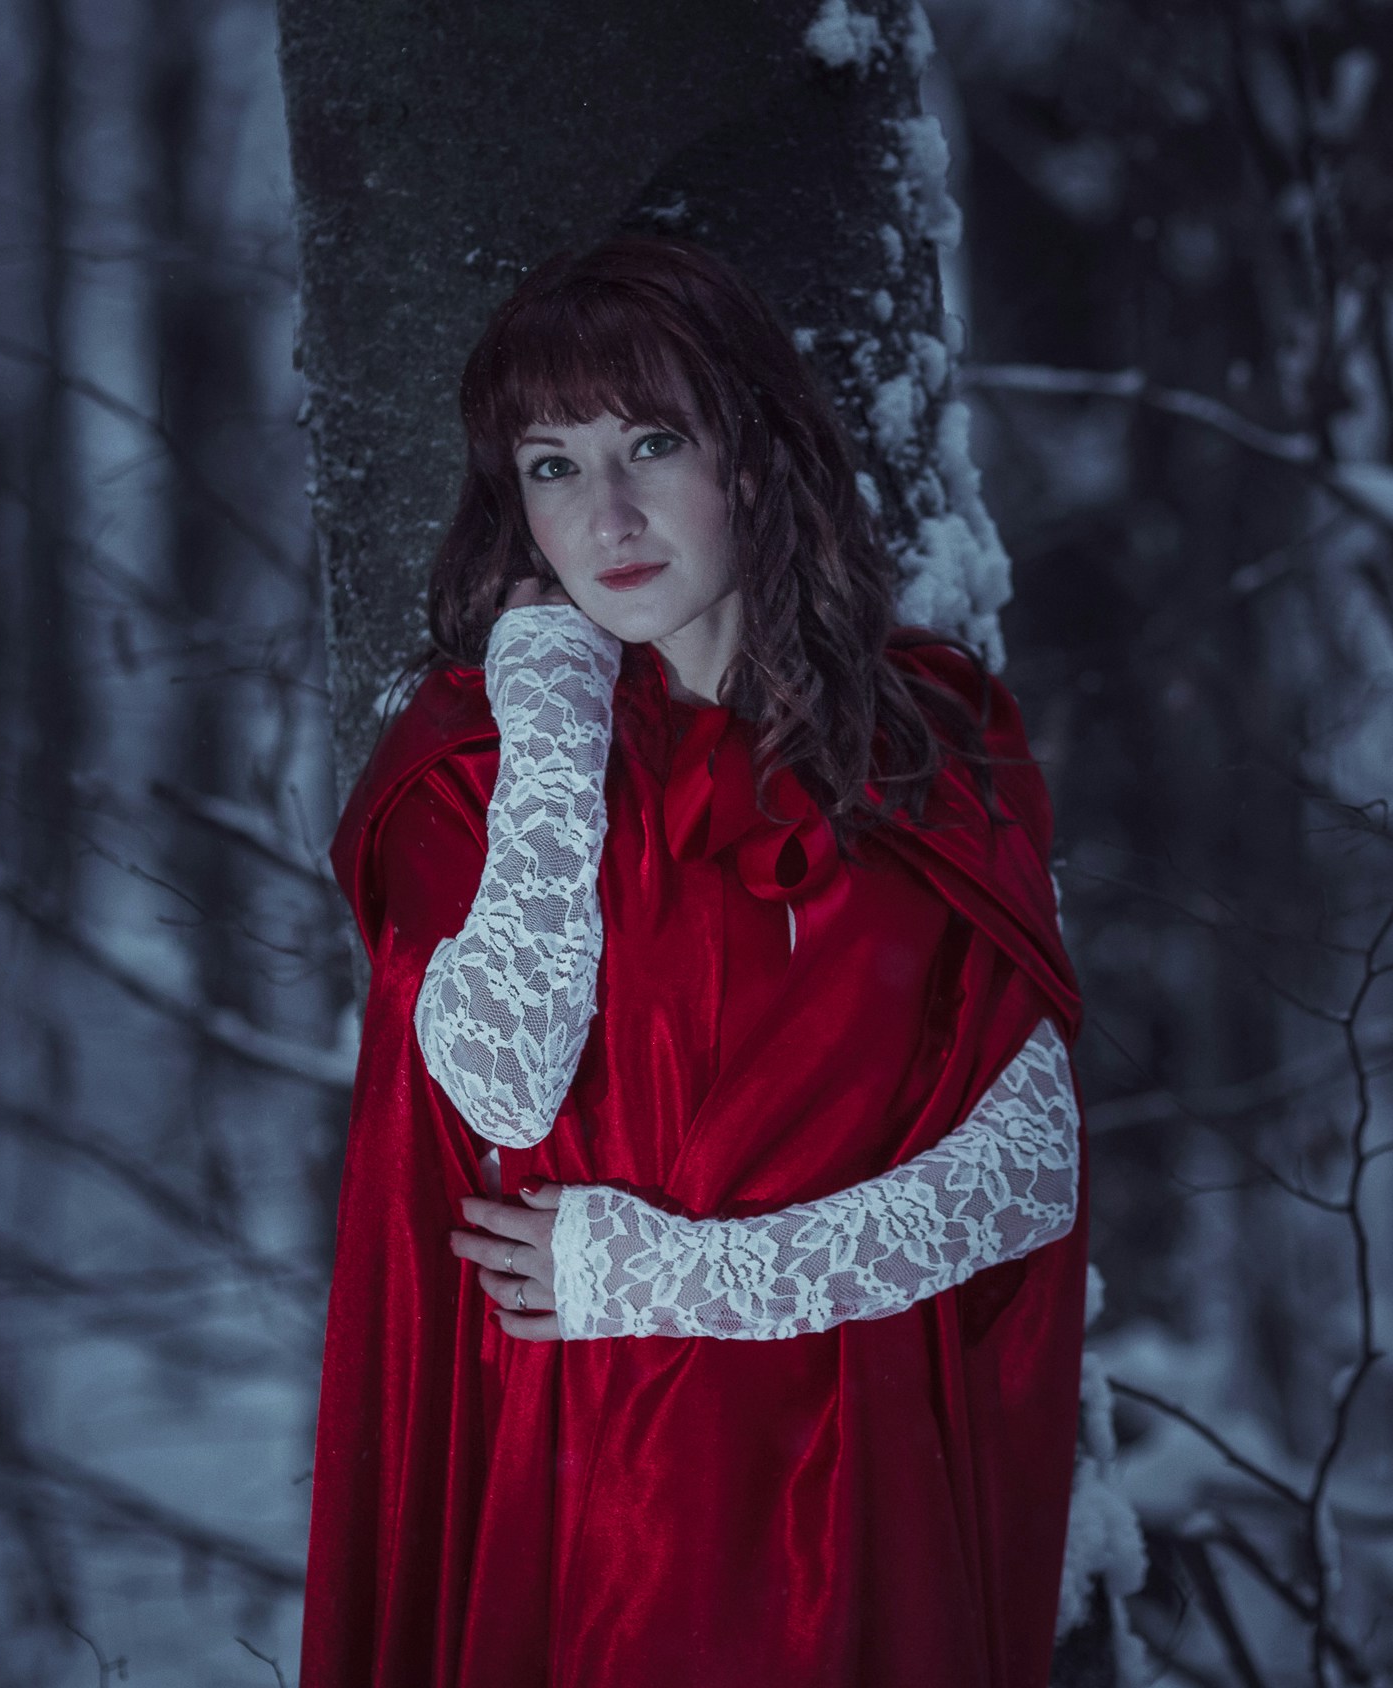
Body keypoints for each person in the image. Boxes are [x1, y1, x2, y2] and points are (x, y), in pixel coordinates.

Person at [301, 234, 1088, 1687]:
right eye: (552, 465)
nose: (609, 513)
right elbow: (500, 1084)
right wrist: (552, 718)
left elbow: (1029, 1168)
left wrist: (690, 1278)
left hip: (863, 1476)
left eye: (651, 442)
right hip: (589, 1498)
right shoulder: (472, 769)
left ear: (750, 453)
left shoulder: (922, 747)